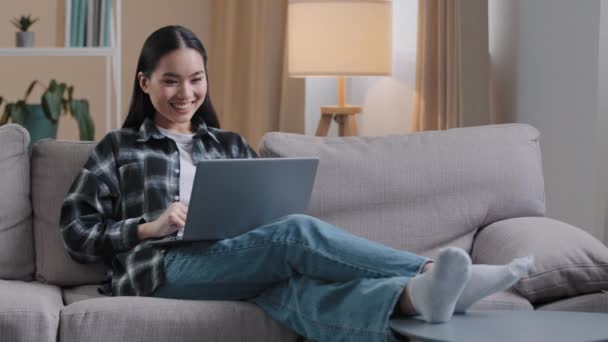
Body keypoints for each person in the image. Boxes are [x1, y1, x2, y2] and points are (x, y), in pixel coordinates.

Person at [60, 25, 533, 342]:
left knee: (296, 293)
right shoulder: (119, 147)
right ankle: (430, 272)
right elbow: (76, 232)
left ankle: (415, 299)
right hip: (161, 268)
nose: (186, 94)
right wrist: (147, 227)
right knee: (297, 233)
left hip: (235, 255)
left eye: (196, 79)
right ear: (145, 83)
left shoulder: (227, 145)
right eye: (170, 82)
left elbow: (263, 211)